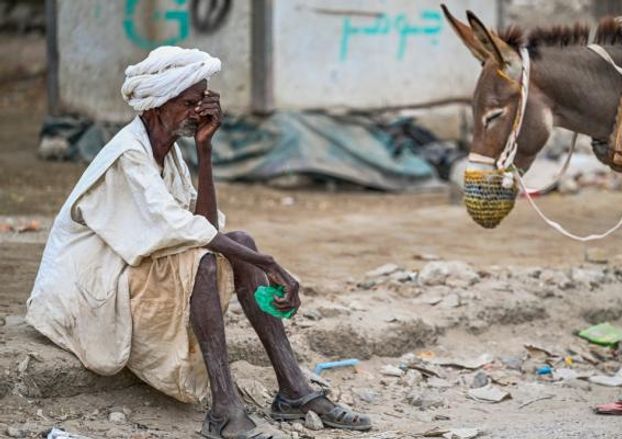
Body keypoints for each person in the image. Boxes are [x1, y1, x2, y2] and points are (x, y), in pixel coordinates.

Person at [26, 46, 370, 438]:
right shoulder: (127, 156)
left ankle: (294, 390)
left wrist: (205, 150)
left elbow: (204, 225)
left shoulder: (168, 155)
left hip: (126, 274)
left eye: (203, 102)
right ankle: (225, 409)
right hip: (87, 291)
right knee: (205, 262)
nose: (200, 112)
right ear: (156, 105)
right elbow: (182, 229)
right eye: (190, 103)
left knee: (239, 241)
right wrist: (268, 263)